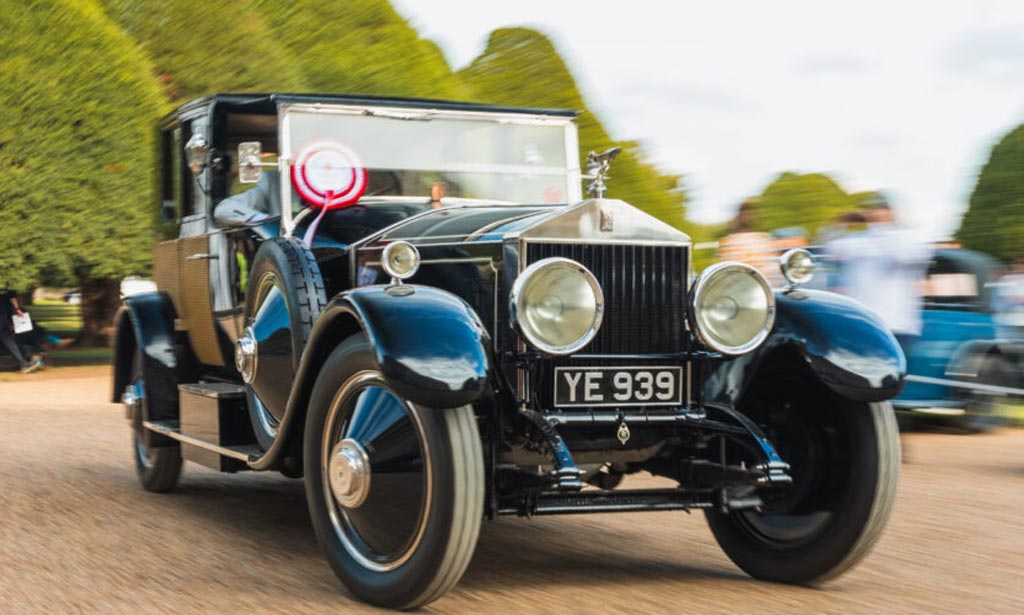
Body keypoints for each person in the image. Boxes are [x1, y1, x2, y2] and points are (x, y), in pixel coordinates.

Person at [827, 201, 932, 355]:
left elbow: (903, 256)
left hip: (896, 325)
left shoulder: (908, 238)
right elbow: (831, 251)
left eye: (882, 211)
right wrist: (840, 224)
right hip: (862, 323)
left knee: (891, 376)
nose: (877, 215)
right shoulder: (858, 239)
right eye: (874, 211)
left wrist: (884, 226)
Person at [0, 289, 42, 373]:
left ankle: (24, 363)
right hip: (4, 313)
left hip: (3, 314)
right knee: (8, 340)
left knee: (7, 340)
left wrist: (17, 309)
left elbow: (12, 294)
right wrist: (17, 309)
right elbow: (12, 294)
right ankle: (28, 357)